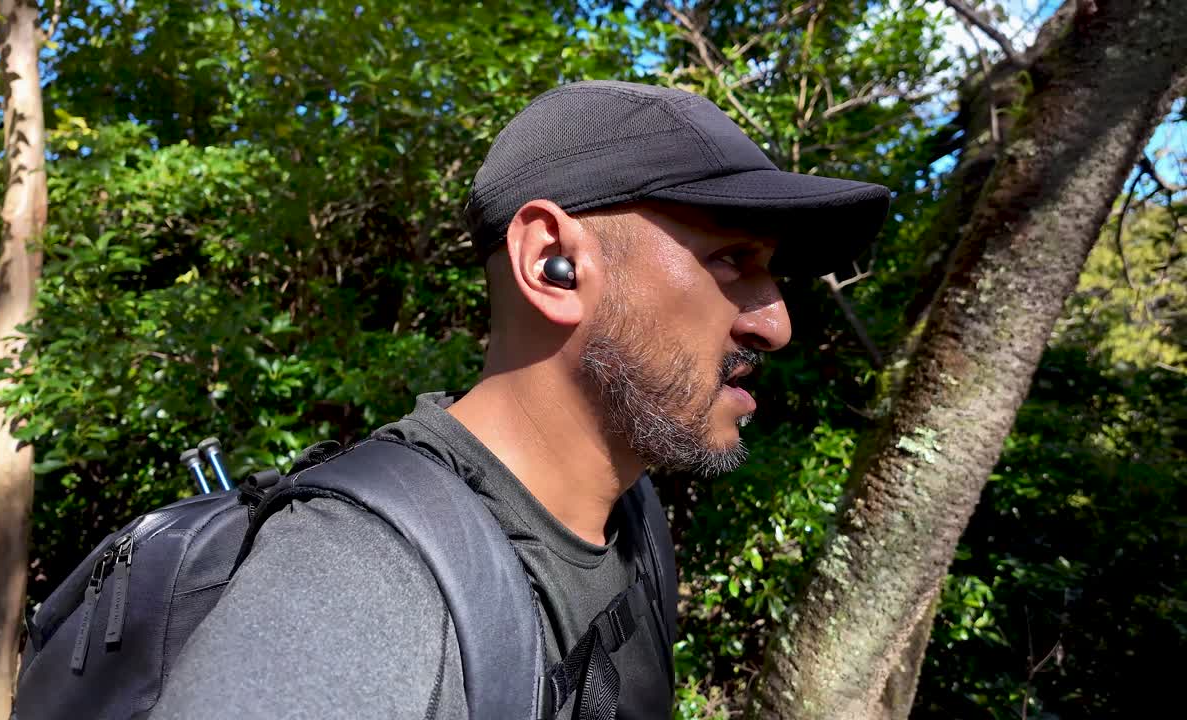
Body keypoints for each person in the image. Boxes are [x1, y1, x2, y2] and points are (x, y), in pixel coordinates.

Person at [149, 80, 888, 719]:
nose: (776, 324)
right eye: (732, 260)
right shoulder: (350, 584)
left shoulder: (632, 517)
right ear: (551, 266)